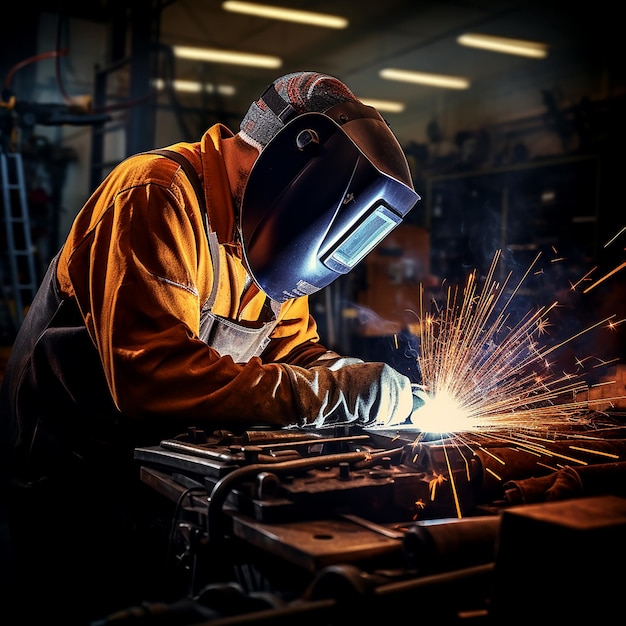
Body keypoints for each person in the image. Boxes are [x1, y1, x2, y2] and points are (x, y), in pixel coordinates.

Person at [0, 71, 420, 624]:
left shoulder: (267, 247)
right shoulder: (155, 193)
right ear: (289, 169)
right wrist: (338, 395)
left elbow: (295, 355)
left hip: (149, 480)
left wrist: (357, 379)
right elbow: (154, 374)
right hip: (69, 484)